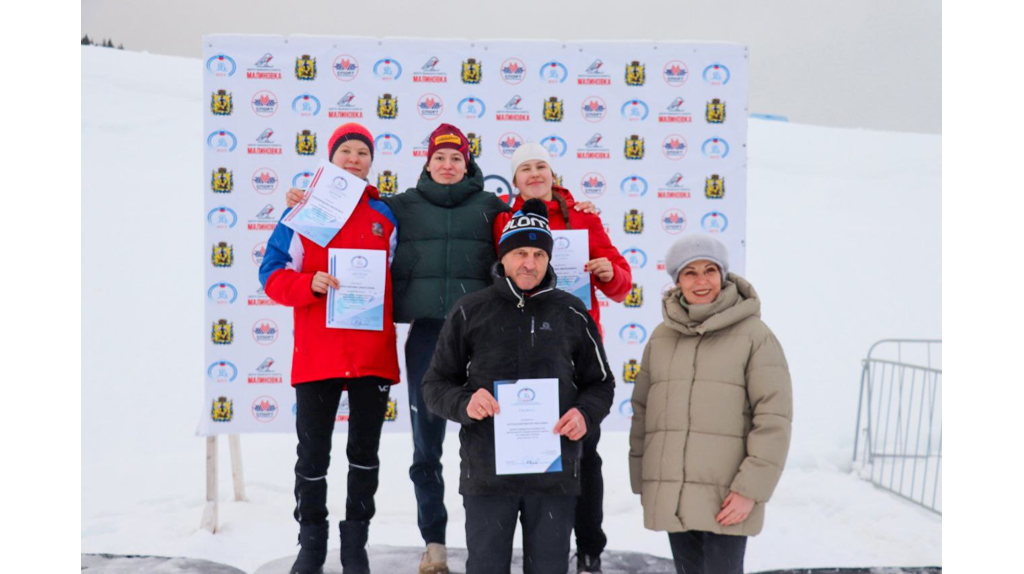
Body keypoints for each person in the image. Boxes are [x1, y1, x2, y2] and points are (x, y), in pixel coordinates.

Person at [422, 199, 615, 574]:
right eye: (521, 252)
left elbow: (601, 383)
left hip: (554, 477)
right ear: (504, 257)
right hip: (487, 475)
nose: (530, 262)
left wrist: (584, 413)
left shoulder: (572, 311)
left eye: (539, 254)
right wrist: (465, 403)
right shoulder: (470, 310)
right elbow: (435, 383)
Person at [260, 122, 399, 574]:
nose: (355, 158)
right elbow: (271, 272)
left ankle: (356, 544)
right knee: (313, 454)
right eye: (347, 151)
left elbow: (403, 274)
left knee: (364, 454)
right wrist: (308, 284)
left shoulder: (387, 216)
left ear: (371, 163)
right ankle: (312, 543)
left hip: (371, 355)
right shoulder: (303, 213)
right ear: (331, 157)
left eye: (363, 152)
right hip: (318, 354)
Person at [495, 143, 631, 574]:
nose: (534, 174)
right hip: (519, 347)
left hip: (574, 348)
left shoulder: (585, 217)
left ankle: (589, 545)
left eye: (541, 166)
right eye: (525, 169)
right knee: (524, 445)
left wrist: (609, 274)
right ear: (514, 180)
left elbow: (621, 281)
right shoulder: (500, 218)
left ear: (554, 174)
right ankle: (533, 547)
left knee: (584, 450)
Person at [628, 234, 793, 574]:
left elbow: (773, 418)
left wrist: (751, 489)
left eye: (709, 270)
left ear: (723, 275)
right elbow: (643, 412)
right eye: (690, 272)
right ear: (677, 280)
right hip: (673, 492)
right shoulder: (661, 337)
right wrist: (644, 480)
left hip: (728, 497)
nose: (701, 281)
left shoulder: (755, 336)